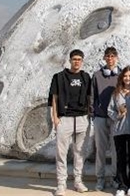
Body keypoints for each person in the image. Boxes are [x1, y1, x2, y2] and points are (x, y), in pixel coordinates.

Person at [48, 49, 92, 196]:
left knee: (80, 152)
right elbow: (54, 98)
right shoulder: (59, 77)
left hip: (82, 118)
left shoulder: (86, 77)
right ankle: (61, 184)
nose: (77, 61)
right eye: (74, 59)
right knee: (61, 153)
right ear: (70, 60)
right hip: (64, 118)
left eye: (79, 59)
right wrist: (55, 117)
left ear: (82, 61)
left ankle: (78, 181)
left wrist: (89, 116)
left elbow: (90, 97)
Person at [92, 46, 121, 192]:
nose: (110, 58)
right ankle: (100, 178)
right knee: (100, 149)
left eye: (113, 56)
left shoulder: (122, 75)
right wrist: (94, 114)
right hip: (101, 117)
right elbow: (92, 96)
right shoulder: (97, 75)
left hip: (116, 118)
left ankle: (115, 177)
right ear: (104, 58)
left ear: (117, 57)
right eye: (108, 56)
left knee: (116, 150)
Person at [108, 67, 130, 196]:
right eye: (125, 76)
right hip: (119, 130)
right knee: (120, 159)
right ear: (122, 77)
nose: (128, 78)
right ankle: (122, 185)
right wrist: (118, 115)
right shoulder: (116, 93)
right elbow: (109, 110)